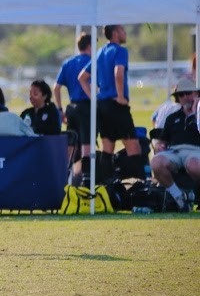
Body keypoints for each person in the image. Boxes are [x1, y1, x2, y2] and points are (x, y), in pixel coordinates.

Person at [78, 24, 144, 182]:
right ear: (115, 33)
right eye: (122, 30)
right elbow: (118, 72)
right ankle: (140, 187)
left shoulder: (100, 52)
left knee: (108, 148)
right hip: (116, 105)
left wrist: (94, 98)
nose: (125, 32)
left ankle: (106, 187)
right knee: (133, 146)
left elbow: (82, 77)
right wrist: (121, 96)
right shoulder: (120, 51)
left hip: (102, 106)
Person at [151, 77, 199, 212]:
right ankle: (179, 197)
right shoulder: (173, 117)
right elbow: (162, 140)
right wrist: (159, 146)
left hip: (196, 152)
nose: (184, 97)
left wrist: (196, 113)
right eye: (180, 95)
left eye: (188, 93)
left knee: (193, 164)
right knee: (156, 162)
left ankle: (195, 194)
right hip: (175, 152)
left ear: (196, 94)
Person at [53, 33, 92, 180]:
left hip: (71, 108)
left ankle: (65, 177)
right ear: (89, 46)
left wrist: (60, 109)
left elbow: (56, 88)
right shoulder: (92, 63)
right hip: (86, 107)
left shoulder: (68, 63)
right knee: (87, 145)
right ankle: (85, 180)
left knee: (71, 144)